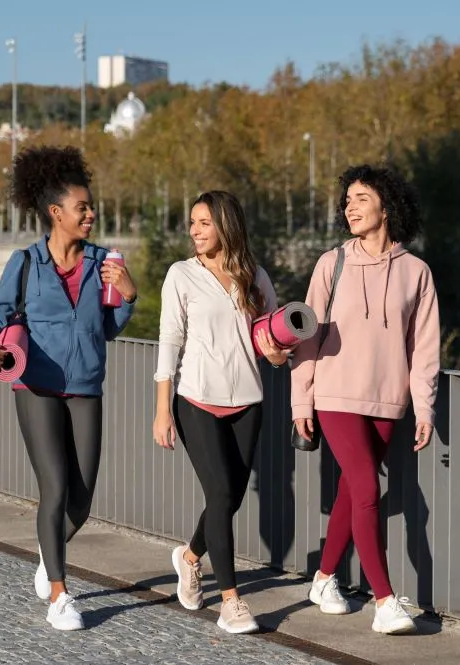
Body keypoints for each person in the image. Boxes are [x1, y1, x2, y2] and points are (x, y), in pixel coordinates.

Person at [0, 145, 137, 631]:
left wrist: (128, 296)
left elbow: (107, 328)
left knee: (82, 498)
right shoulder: (25, 263)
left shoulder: (102, 263)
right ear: (55, 213)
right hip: (36, 387)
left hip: (86, 385)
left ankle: (51, 555)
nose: (90, 214)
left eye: (91, 207)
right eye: (82, 207)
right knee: (55, 486)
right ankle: (61, 596)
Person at [291, 164, 440, 635]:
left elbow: (425, 348)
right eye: (347, 200)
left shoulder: (416, 272)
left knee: (351, 492)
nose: (349, 207)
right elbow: (305, 341)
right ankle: (385, 600)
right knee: (368, 488)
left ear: (387, 205)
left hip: (388, 399)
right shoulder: (330, 264)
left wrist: (424, 406)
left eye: (360, 198)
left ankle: (323, 577)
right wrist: (302, 403)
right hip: (335, 394)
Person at [152, 190, 288, 635]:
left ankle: (190, 557)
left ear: (226, 225)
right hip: (195, 400)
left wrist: (278, 354)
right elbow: (170, 341)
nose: (194, 231)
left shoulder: (254, 276)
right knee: (221, 495)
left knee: (228, 498)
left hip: (248, 401)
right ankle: (231, 602)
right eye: (192, 222)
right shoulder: (181, 275)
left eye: (204, 223)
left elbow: (271, 336)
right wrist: (162, 410)